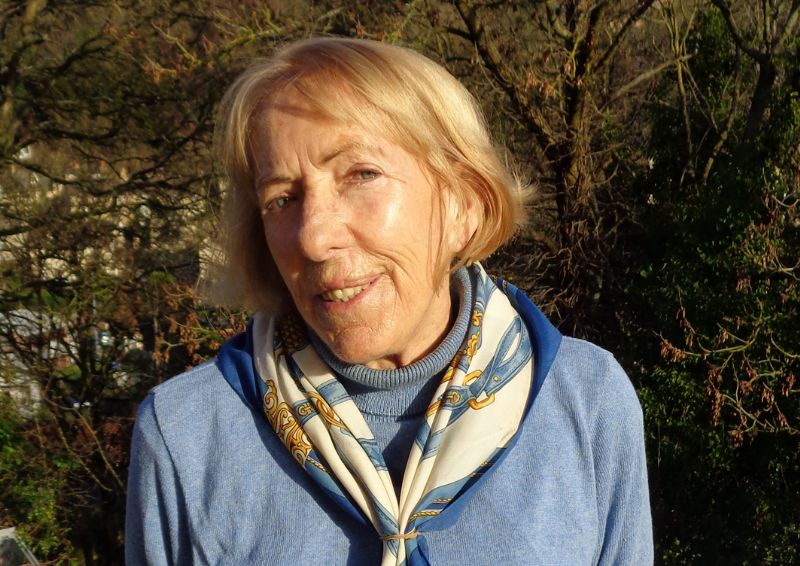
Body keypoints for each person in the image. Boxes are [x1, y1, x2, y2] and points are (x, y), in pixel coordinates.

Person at [125, 37, 653, 565]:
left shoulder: (586, 402)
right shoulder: (185, 436)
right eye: (281, 199)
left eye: (361, 175)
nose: (313, 238)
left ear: (463, 205)